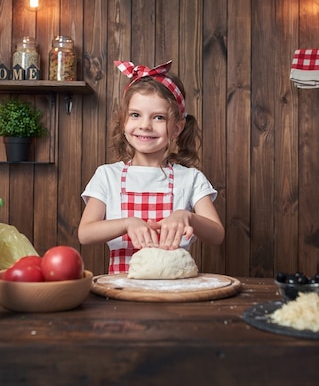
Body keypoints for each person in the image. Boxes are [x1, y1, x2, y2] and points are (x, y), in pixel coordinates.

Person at [78, 60, 224, 274]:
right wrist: (127, 223)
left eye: (158, 117)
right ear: (124, 121)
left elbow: (217, 234)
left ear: (177, 128)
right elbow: (85, 233)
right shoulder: (107, 175)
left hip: (175, 287)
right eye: (135, 115)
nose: (145, 125)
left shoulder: (191, 178)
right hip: (122, 288)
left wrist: (187, 216)